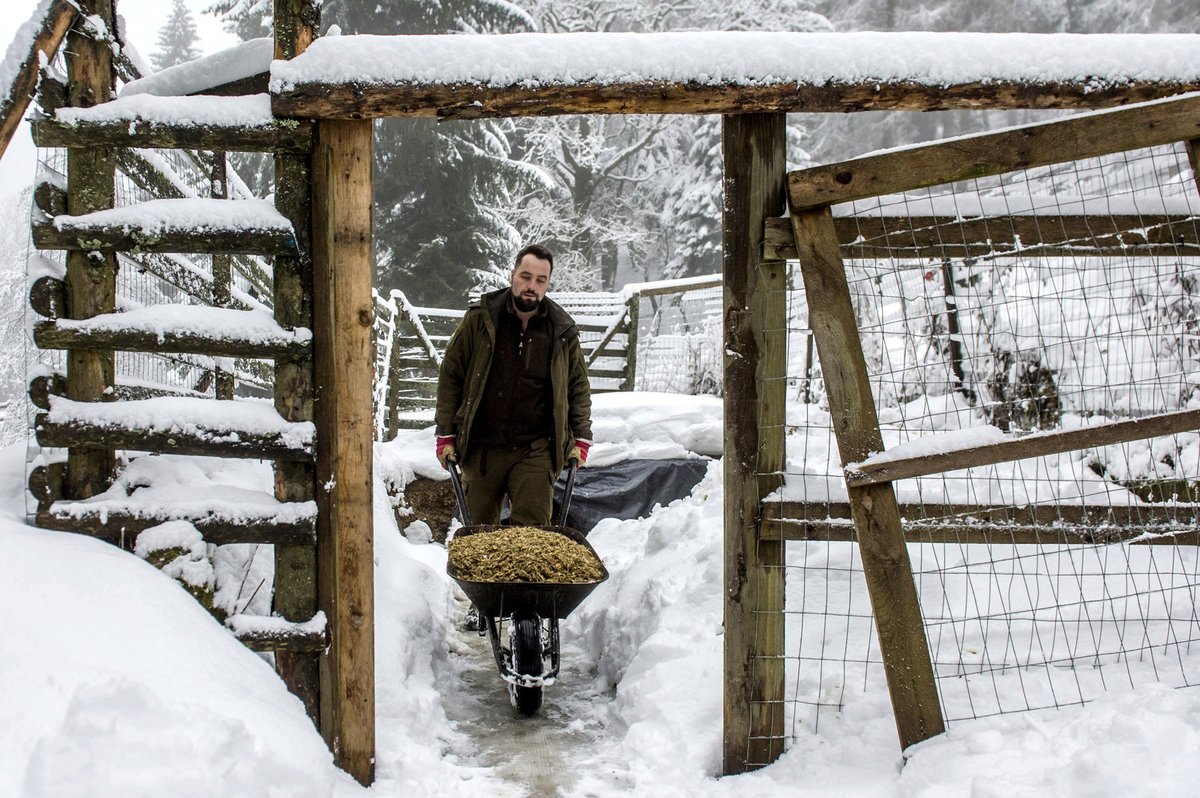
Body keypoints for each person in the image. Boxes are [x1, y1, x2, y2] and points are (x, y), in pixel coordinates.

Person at [434, 243, 592, 527]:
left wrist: (580, 437)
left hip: (536, 448)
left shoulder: (561, 331)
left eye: (540, 280)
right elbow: (451, 376)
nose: (531, 286)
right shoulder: (480, 320)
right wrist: (446, 434)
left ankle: (525, 574)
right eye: (525, 276)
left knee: (532, 537)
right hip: (483, 447)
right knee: (478, 538)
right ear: (512, 275)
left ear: (547, 284)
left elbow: (577, 386)